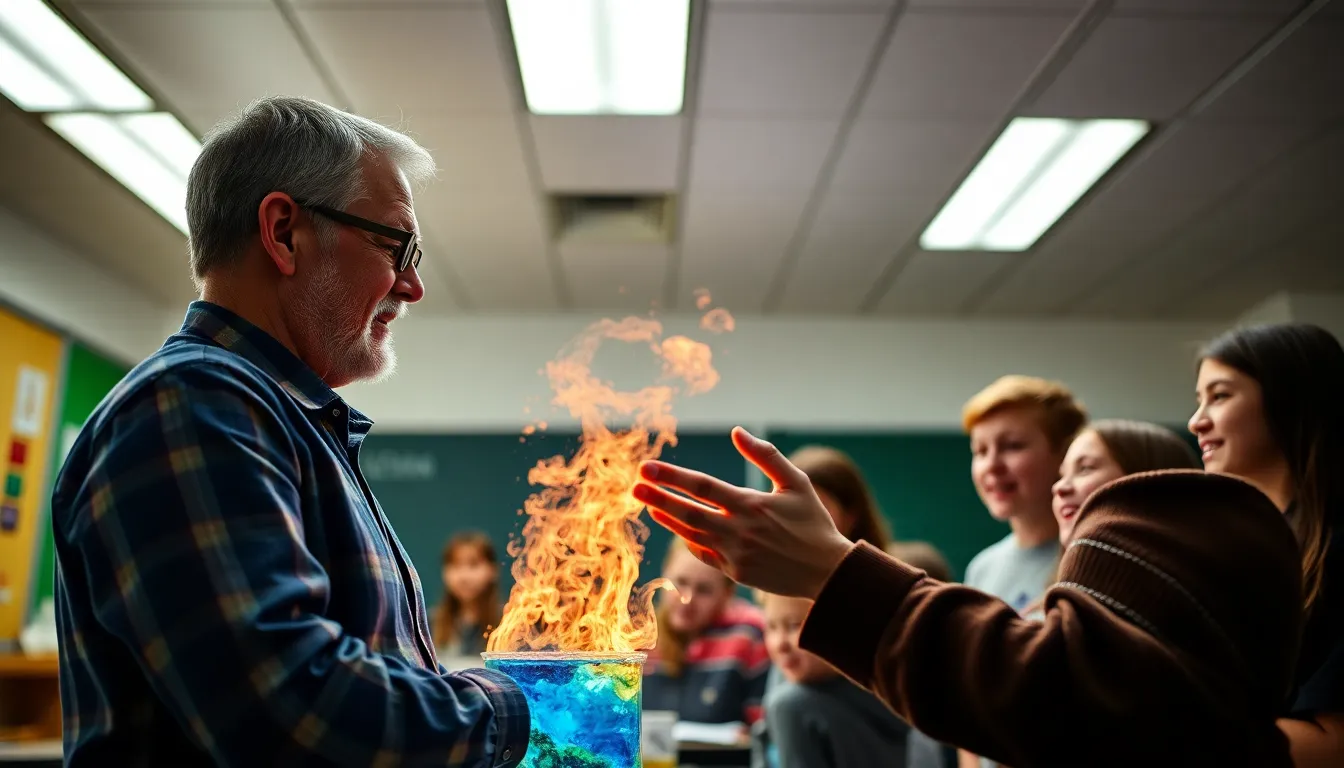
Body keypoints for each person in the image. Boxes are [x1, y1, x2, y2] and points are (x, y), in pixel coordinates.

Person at [49, 97, 528, 767]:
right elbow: (291, 714)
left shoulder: (283, 421)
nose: (413, 286)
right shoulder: (191, 404)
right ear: (283, 233)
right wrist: (511, 704)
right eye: (397, 246)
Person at [632, 427, 1304, 766]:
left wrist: (832, 572)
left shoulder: (1207, 523)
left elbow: (1053, 695)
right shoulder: (1020, 574)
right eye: (1062, 473)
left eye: (1085, 470)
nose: (1061, 489)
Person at [1191, 323, 1344, 767]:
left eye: (1220, 396)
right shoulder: (1246, 548)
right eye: (1199, 399)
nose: (1196, 420)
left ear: (1288, 400)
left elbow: (1333, 743)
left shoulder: (1335, 550)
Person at [958, 376, 1086, 767]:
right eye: (980, 450)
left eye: (1012, 446)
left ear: (1064, 455)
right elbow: (970, 703)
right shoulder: (982, 568)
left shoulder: (1088, 561)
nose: (992, 465)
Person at [752, 590, 910, 768]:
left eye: (795, 625)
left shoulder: (790, 703)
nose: (779, 644)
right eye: (771, 627)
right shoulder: (785, 673)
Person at [644, 537, 770, 730]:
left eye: (704, 590)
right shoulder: (635, 638)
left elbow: (763, 729)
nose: (687, 599)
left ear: (727, 595)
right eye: (679, 583)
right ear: (664, 574)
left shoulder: (750, 635)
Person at [432, 532, 502, 661]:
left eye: (473, 565)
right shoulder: (427, 624)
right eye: (455, 565)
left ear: (493, 570)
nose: (463, 576)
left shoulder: (509, 625)